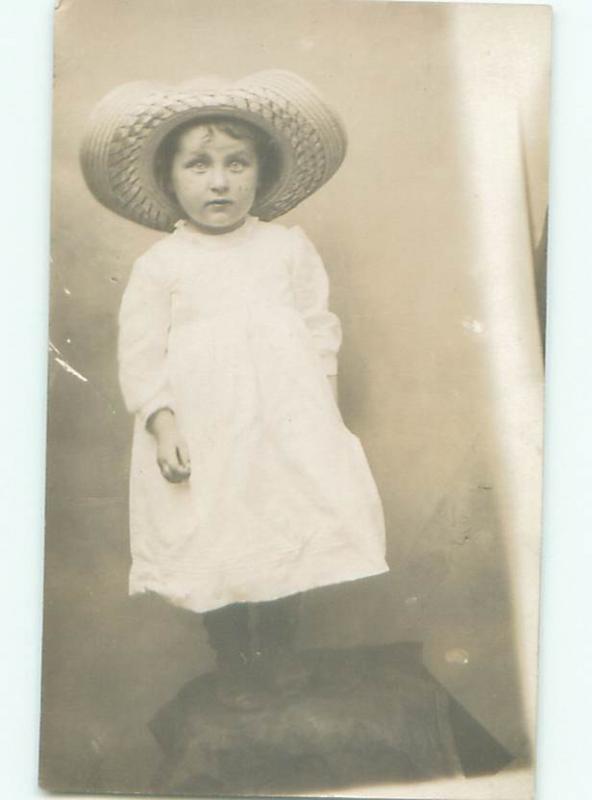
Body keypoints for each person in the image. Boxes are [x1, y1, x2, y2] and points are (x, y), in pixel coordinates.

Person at [80, 70, 389, 711]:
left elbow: (317, 328)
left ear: (260, 174)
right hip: (205, 428)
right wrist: (163, 423)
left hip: (283, 422)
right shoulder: (162, 266)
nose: (218, 181)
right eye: (198, 165)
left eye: (235, 163)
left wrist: (323, 412)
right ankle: (232, 659)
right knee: (212, 530)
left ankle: (277, 654)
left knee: (284, 521)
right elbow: (141, 355)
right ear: (170, 181)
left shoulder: (286, 248)